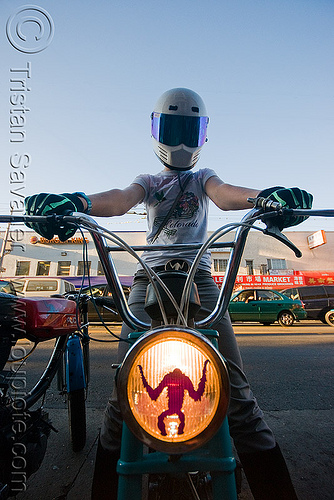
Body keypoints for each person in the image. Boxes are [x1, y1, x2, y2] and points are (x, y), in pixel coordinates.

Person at [25, 88, 313, 500]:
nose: (180, 140)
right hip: (148, 278)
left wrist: (264, 198)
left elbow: (226, 192)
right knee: (122, 402)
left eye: (188, 129)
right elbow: (121, 200)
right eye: (172, 127)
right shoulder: (148, 180)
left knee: (238, 398)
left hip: (201, 280)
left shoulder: (202, 177)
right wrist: (77, 202)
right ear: (156, 130)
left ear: (202, 135)